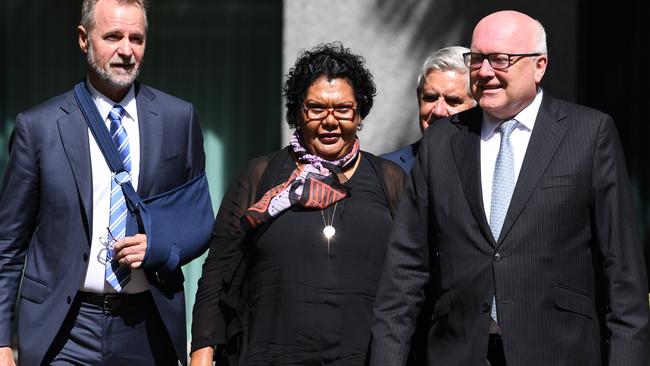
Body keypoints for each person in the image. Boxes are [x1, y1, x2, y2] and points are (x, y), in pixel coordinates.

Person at [370, 10, 649, 366]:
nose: (485, 72)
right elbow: (404, 272)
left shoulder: (588, 134)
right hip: (458, 352)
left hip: (558, 351)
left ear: (539, 66)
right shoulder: (443, 140)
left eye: (501, 60)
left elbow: (623, 276)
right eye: (477, 59)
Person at [0, 0, 209, 364]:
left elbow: (199, 219)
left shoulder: (178, 118)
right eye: (113, 36)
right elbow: (8, 244)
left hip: (147, 324)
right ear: (84, 40)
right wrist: (2, 341)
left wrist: (159, 245)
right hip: (63, 328)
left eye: (136, 38)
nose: (126, 50)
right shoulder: (39, 127)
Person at [190, 42, 406, 365]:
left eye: (343, 109)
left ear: (359, 114)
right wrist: (201, 355)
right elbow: (217, 273)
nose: (330, 121)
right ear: (297, 112)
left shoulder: (390, 180)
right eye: (316, 108)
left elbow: (411, 279)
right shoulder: (260, 176)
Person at [381, 46, 476, 172]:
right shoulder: (383, 170)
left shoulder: (494, 169)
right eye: (430, 97)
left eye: (453, 101)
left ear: (478, 106)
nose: (438, 111)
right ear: (418, 98)